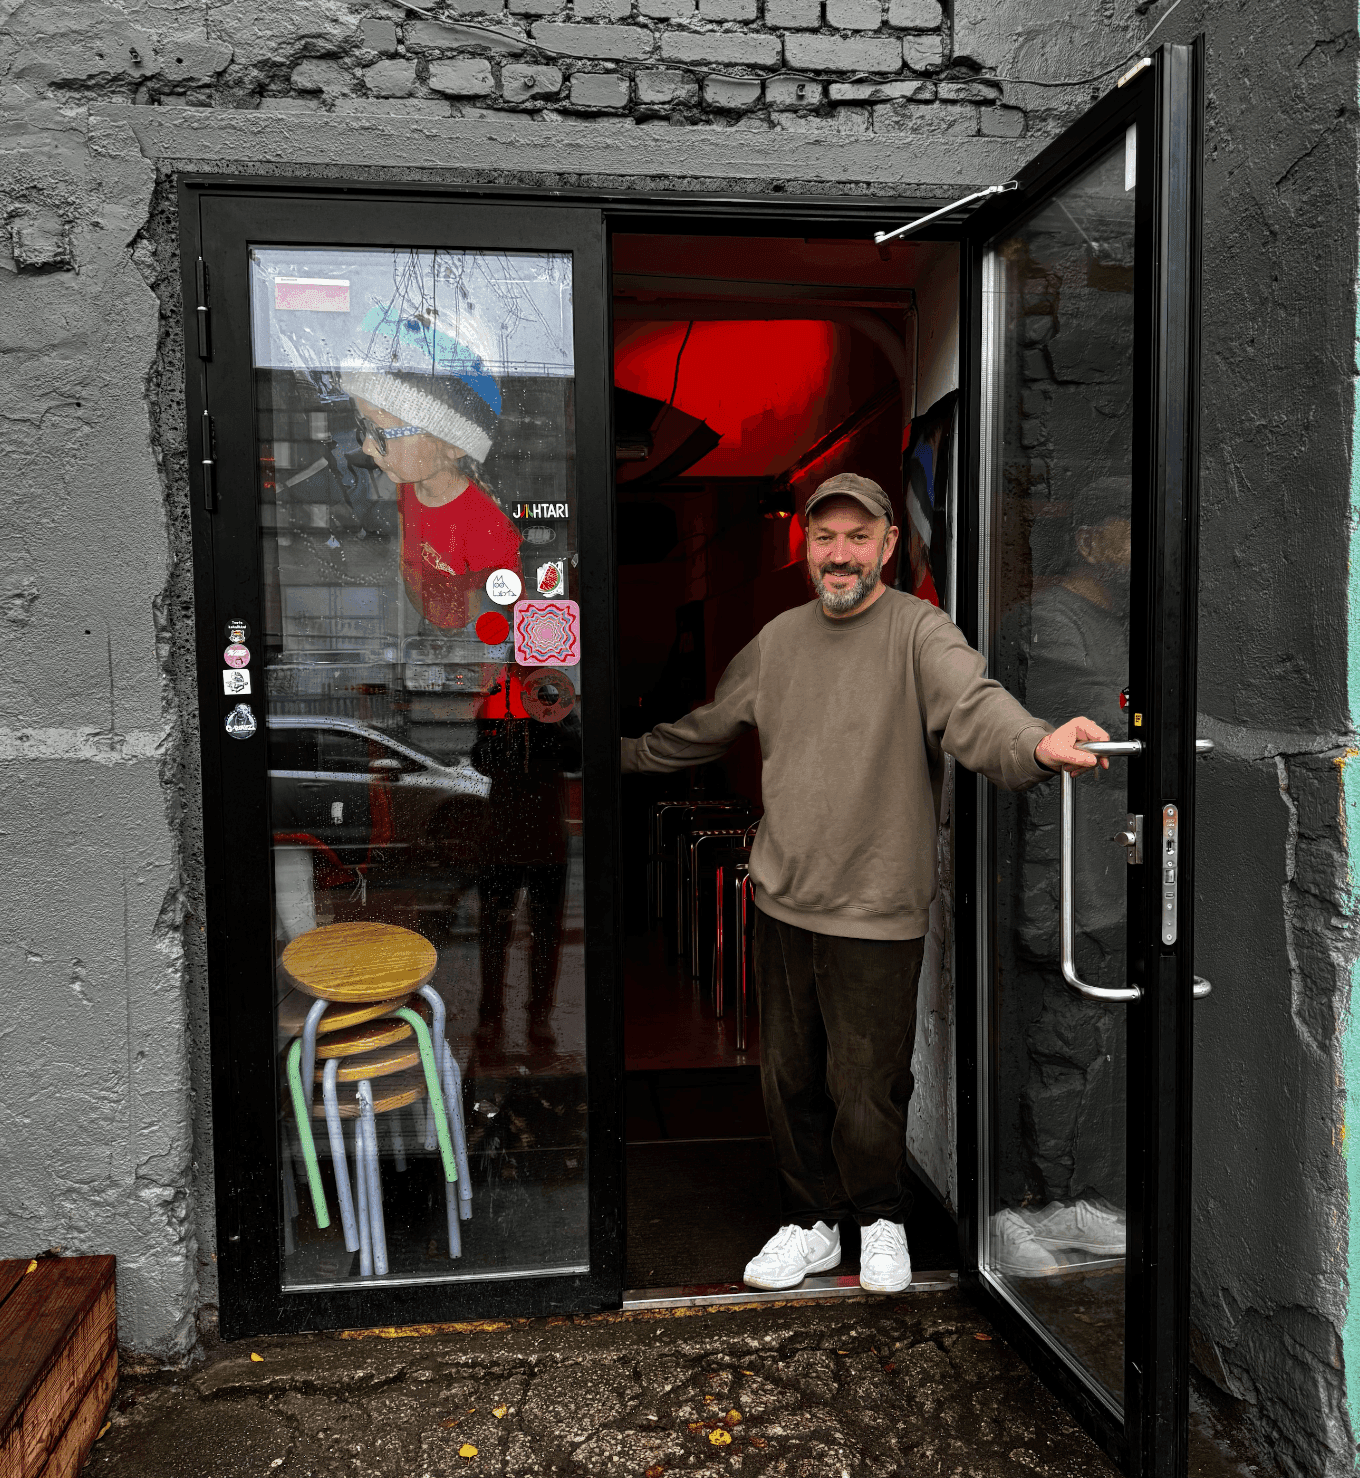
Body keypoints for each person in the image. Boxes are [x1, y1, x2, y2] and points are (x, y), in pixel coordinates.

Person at [620, 471, 1110, 1294]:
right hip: (782, 901)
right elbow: (705, 729)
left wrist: (1035, 744)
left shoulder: (920, 632)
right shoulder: (776, 641)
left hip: (876, 910)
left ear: (887, 545)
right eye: (825, 537)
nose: (840, 554)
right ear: (805, 546)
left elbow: (975, 706)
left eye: (857, 537)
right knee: (789, 1080)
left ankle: (880, 1220)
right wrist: (618, 755)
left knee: (867, 1085)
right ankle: (810, 1224)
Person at [340, 304, 521, 629]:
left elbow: (510, 610)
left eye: (380, 432)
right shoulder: (409, 486)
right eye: (364, 427)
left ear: (453, 443)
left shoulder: (488, 529)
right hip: (424, 623)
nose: (366, 447)